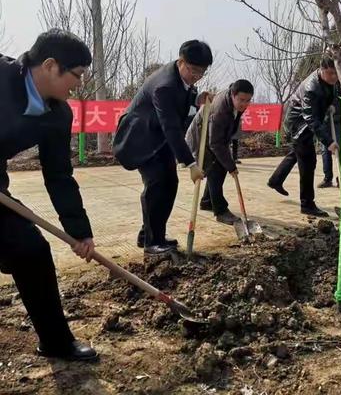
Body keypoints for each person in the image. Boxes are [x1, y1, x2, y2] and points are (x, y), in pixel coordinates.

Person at [0, 29, 97, 361]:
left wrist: (79, 231)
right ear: (51, 65)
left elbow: (59, 176)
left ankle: (56, 341)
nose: (79, 84)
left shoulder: (58, 114)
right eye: (78, 74)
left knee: (31, 248)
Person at [113, 40, 211, 254]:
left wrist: (196, 98)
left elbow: (183, 94)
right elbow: (172, 128)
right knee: (157, 185)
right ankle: (152, 243)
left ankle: (150, 234)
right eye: (193, 70)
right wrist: (191, 163)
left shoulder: (179, 78)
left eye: (201, 72)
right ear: (181, 61)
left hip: (158, 138)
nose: (196, 76)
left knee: (169, 183)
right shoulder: (164, 85)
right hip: (141, 139)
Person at [267, 57, 339, 217]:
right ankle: (307, 204)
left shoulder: (331, 80)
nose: (334, 77)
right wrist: (328, 142)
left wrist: (331, 105)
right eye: (330, 73)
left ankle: (275, 180)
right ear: (321, 69)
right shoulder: (311, 88)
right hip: (299, 124)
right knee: (307, 161)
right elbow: (310, 117)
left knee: (297, 154)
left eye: (336, 73)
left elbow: (329, 96)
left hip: (306, 122)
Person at [186, 80, 254, 224]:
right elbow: (215, 143)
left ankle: (207, 201)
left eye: (248, 101)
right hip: (200, 139)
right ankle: (221, 211)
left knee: (219, 167)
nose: (244, 104)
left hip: (213, 137)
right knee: (216, 170)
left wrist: (228, 162)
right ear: (233, 95)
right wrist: (231, 166)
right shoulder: (220, 110)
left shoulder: (233, 102)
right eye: (241, 100)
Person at [318, 83, 341, 188]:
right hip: (325, 121)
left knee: (339, 149)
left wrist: (336, 107)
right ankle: (328, 178)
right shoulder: (321, 84)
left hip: (338, 121)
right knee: (325, 150)